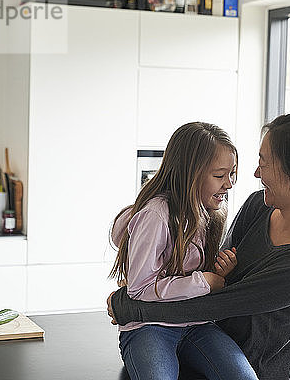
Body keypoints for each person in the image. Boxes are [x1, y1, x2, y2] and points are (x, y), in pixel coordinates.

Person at [108, 111, 290, 380]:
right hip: (202, 344)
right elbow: (213, 275)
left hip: (257, 369)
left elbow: (216, 302)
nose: (256, 173)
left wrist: (128, 305)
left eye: (265, 162)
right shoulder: (259, 205)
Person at [108, 122, 258, 380]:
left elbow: (192, 274)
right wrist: (204, 282)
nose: (229, 184)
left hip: (196, 323)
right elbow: (140, 289)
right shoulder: (156, 215)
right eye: (220, 175)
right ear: (191, 173)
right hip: (150, 327)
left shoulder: (210, 213)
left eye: (232, 174)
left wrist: (219, 272)